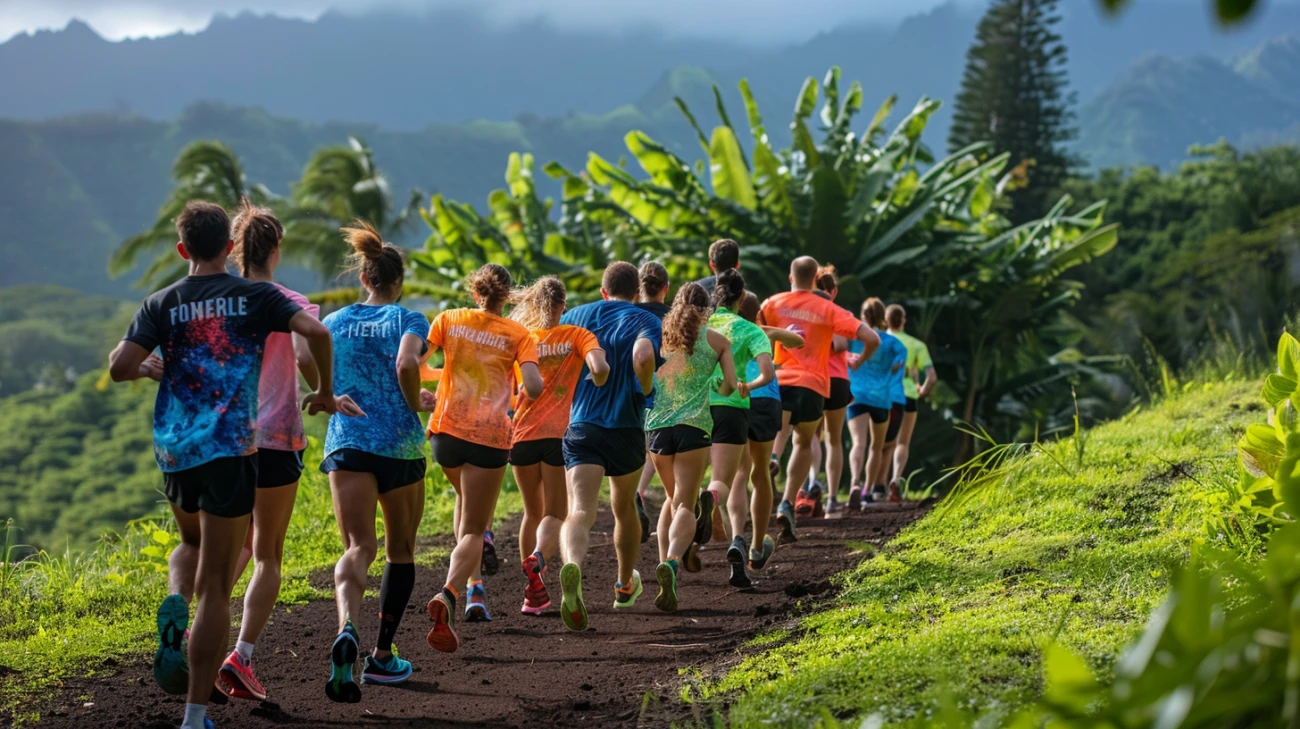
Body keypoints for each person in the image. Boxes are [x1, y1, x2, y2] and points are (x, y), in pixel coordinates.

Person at [109, 200, 351, 729]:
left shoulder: (161, 301)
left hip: (176, 450)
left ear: (181, 249)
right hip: (233, 450)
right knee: (220, 583)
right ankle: (195, 715)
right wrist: (326, 393)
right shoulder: (256, 296)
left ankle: (175, 602)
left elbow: (119, 365)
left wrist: (152, 369)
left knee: (189, 547)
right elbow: (318, 335)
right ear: (228, 248)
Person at [319, 221, 430, 703]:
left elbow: (304, 353)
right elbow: (407, 366)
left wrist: (325, 394)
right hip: (399, 447)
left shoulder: (333, 323)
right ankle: (382, 657)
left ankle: (347, 627)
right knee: (399, 551)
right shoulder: (409, 319)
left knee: (357, 547)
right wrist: (412, 402)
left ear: (364, 278)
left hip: (348, 442)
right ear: (397, 280)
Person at [217, 200, 321, 702]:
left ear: (235, 248)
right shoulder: (293, 300)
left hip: (227, 441)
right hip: (278, 437)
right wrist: (322, 389)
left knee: (233, 545)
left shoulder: (220, 300)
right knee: (268, 555)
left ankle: (197, 636)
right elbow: (305, 353)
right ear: (276, 249)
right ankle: (241, 655)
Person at [424, 264, 543, 645]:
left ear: (476, 293)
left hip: (446, 433)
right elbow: (535, 386)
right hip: (490, 437)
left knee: (464, 501)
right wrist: (522, 392)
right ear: (506, 298)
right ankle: (454, 591)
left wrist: (437, 383)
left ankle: (476, 588)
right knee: (476, 527)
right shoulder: (518, 333)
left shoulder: (448, 319)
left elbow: (420, 363)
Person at [557, 261, 662, 631]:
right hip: (626, 427)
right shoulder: (644, 319)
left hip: (582, 425)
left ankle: (573, 566)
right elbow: (644, 357)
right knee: (624, 507)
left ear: (604, 290)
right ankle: (623, 584)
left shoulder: (576, 315)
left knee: (579, 511)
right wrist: (646, 388)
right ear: (636, 293)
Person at [759, 256, 880, 544]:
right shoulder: (829, 308)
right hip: (814, 384)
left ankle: (772, 459)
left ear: (790, 277)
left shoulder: (770, 304)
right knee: (804, 443)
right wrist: (860, 360)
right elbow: (872, 338)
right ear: (816, 279)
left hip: (780, 379)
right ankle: (788, 501)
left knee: (778, 433)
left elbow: (751, 332)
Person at [508, 276, 608, 616]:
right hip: (556, 435)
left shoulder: (525, 338)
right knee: (556, 513)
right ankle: (537, 559)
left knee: (531, 512)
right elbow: (599, 367)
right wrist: (598, 378)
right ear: (563, 305)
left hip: (519, 433)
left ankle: (532, 592)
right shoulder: (577, 335)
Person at [646, 282, 737, 610]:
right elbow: (729, 388)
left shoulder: (657, 335)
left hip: (657, 429)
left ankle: (661, 565)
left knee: (670, 500)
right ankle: (671, 562)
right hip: (694, 429)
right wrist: (716, 383)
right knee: (684, 503)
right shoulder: (716, 341)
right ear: (707, 309)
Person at [701, 271, 774, 588]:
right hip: (736, 408)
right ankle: (742, 540)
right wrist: (748, 385)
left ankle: (677, 553)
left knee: (688, 481)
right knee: (741, 476)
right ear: (742, 298)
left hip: (698, 409)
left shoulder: (702, 326)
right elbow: (768, 374)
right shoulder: (751, 329)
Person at [728, 292, 802, 577]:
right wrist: (769, 329)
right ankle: (757, 547)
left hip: (735, 399)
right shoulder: (762, 332)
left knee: (737, 473)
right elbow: (799, 341)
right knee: (760, 474)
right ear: (757, 313)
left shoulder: (728, 331)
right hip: (766, 401)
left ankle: (737, 536)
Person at [845, 298, 907, 510]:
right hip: (881, 398)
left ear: (863, 315)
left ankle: (855, 482)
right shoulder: (894, 344)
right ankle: (867, 491)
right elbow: (899, 368)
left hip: (856, 395)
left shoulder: (854, 337)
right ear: (884, 318)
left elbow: (841, 353)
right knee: (876, 447)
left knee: (858, 443)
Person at [634, 262, 670, 544]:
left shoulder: (629, 314)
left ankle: (636, 490)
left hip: (629, 391)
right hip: (667, 393)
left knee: (640, 449)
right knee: (655, 450)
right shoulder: (673, 318)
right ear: (666, 289)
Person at [885, 303, 938, 489]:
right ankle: (895, 478)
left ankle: (874, 486)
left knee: (880, 443)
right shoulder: (917, 345)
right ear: (903, 320)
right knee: (902, 442)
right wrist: (922, 391)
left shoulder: (879, 341)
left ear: (886, 321)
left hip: (883, 395)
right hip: (908, 395)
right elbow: (931, 378)